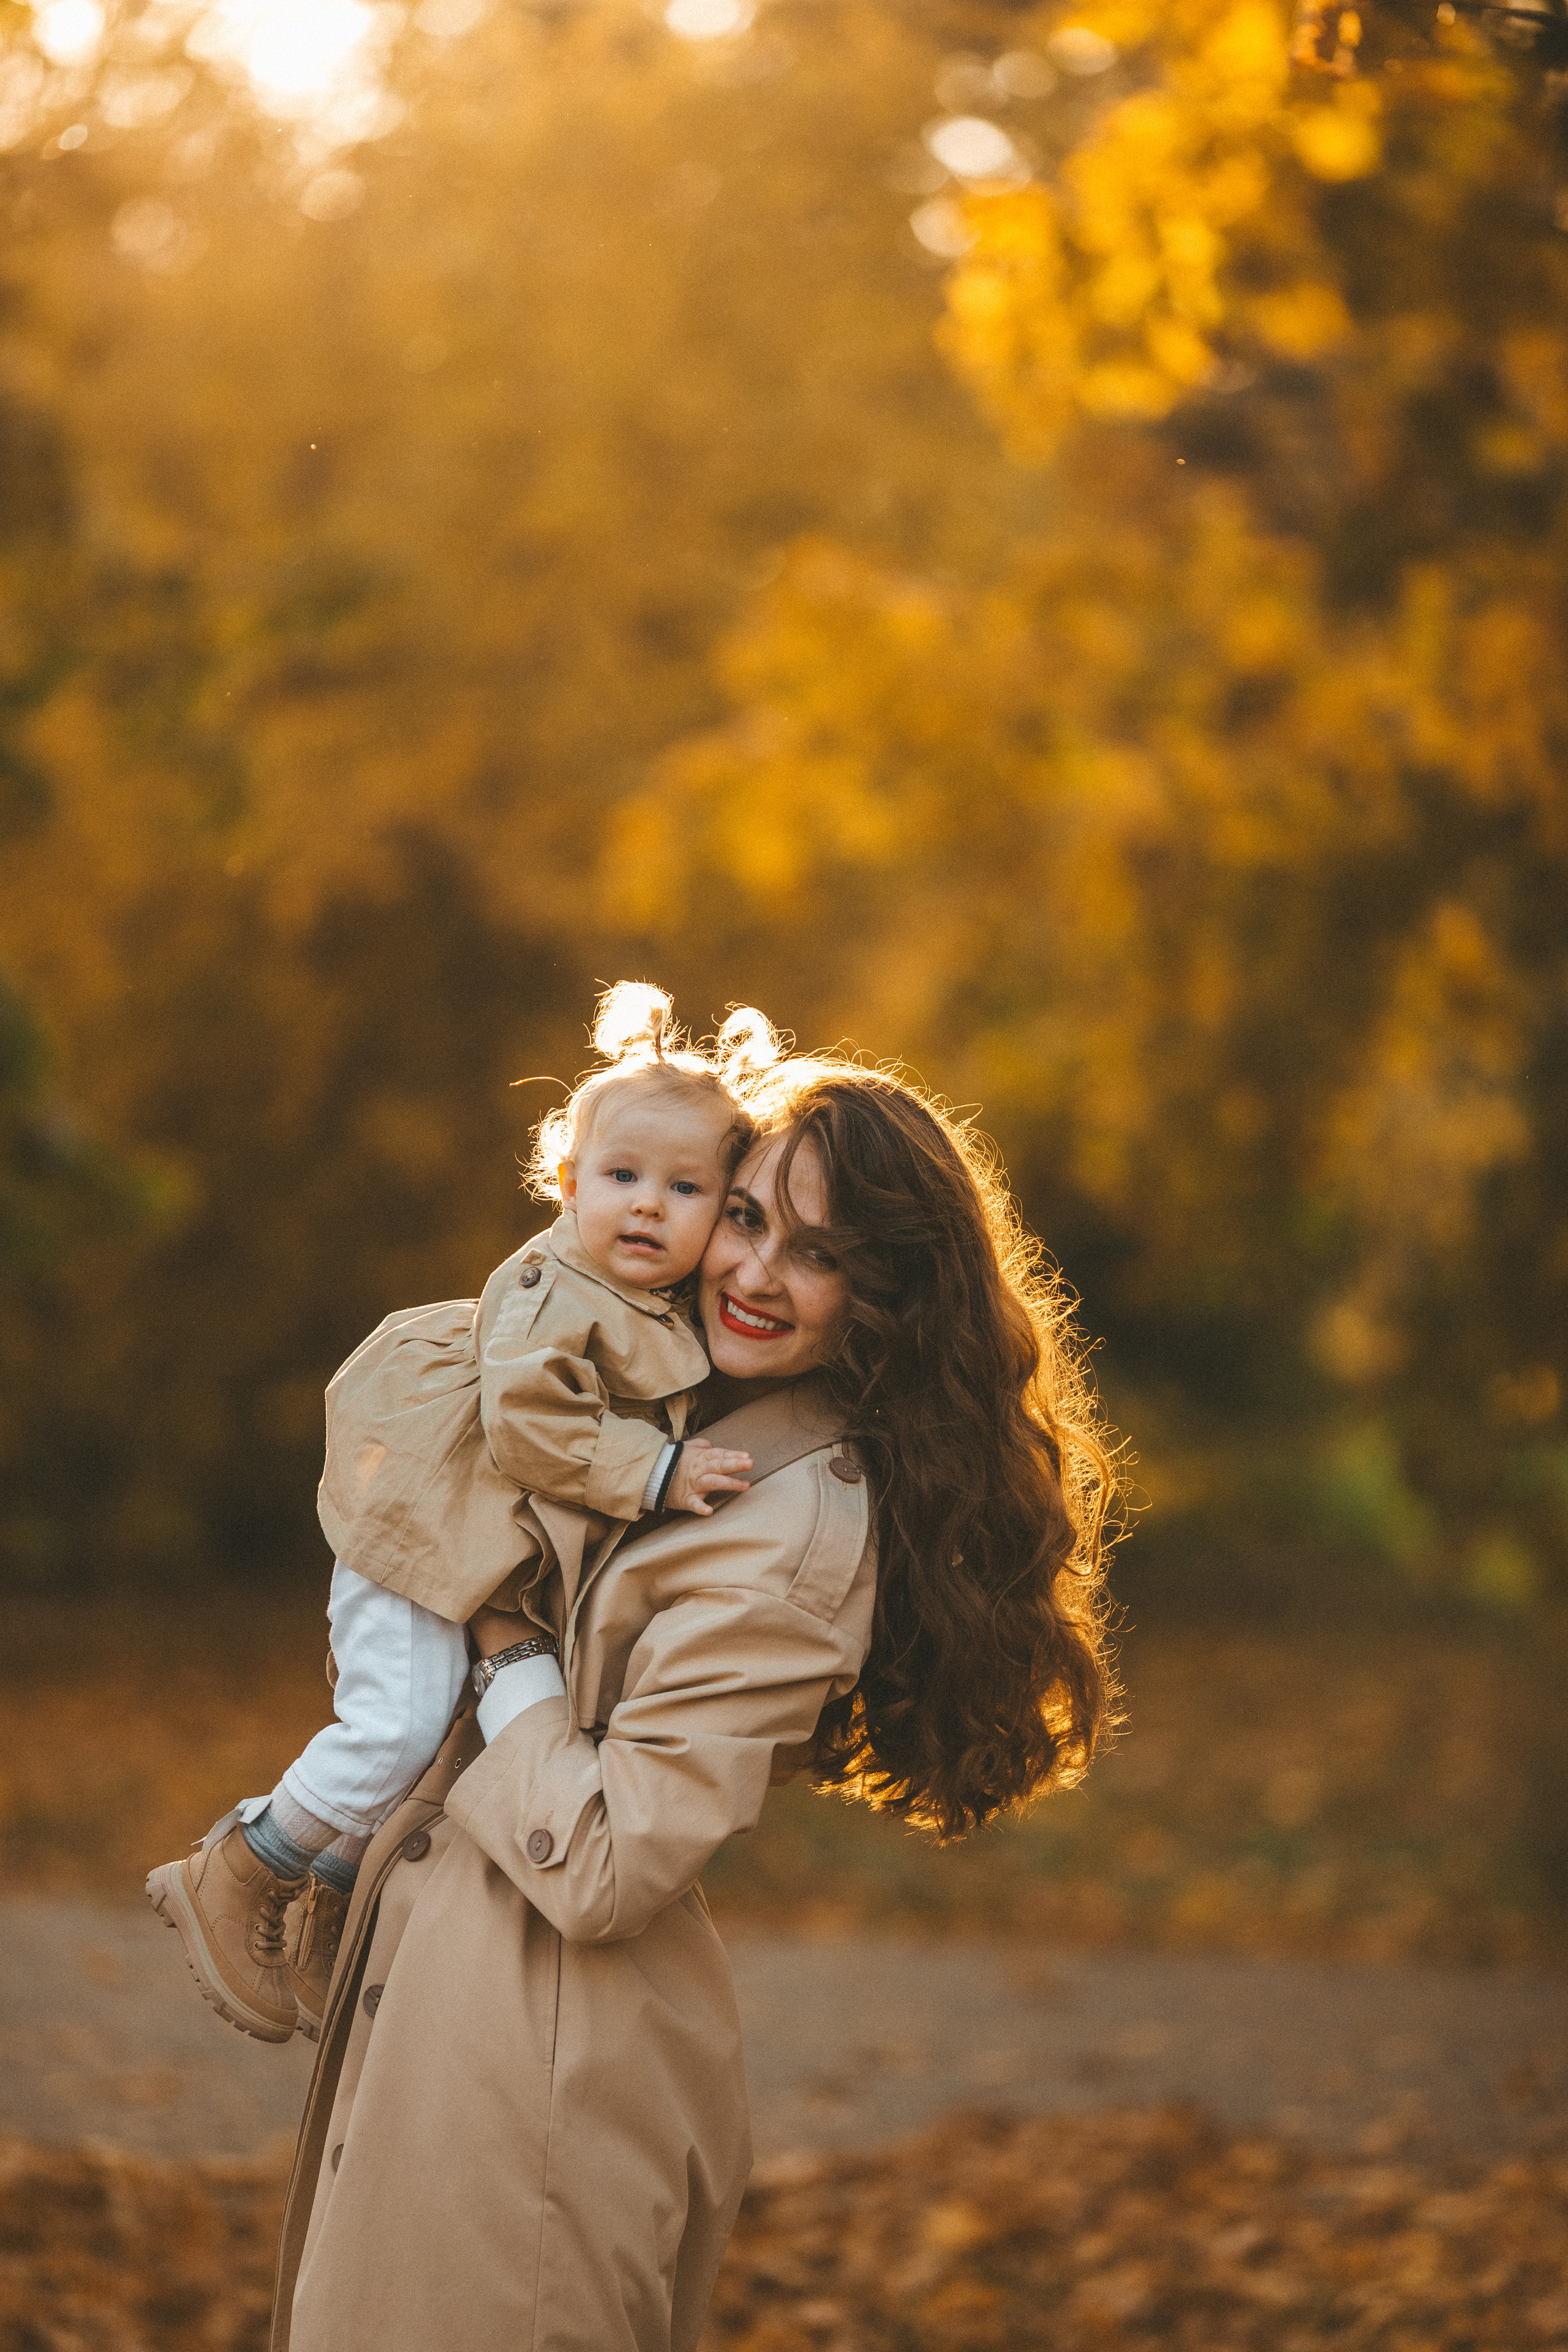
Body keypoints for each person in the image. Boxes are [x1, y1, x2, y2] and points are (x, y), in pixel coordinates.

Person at [268, 1035, 1118, 2352]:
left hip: (543, 2063)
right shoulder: (670, 1416)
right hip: (471, 2020)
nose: (756, 1273)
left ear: (884, 1296)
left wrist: (501, 1641)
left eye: (820, 1255)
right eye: (746, 1216)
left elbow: (610, 1862)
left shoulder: (793, 1528)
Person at [146, 984, 767, 2045]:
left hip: (464, 1541)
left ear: (723, 1209)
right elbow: (531, 1426)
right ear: (569, 1184)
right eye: (622, 1178)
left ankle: (332, 1906)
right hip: (419, 1516)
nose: (649, 1206)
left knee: (436, 1724)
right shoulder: (554, 1284)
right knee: (396, 1719)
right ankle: (245, 1867)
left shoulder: (650, 1308)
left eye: (685, 1187)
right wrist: (657, 1473)